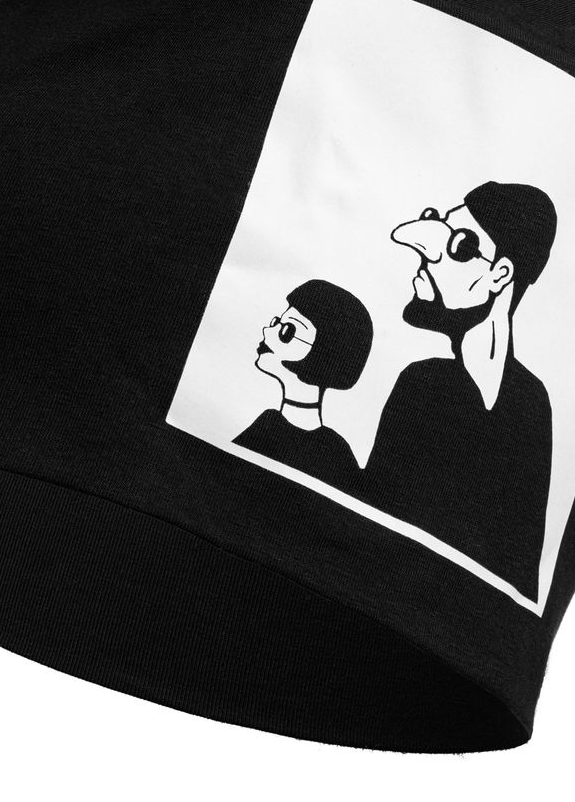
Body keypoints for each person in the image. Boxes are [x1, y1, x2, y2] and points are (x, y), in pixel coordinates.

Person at [364, 182, 557, 599]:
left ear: (500, 274)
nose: (426, 256)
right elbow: (371, 522)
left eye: (461, 246)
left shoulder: (531, 404)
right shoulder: (420, 385)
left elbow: (522, 569)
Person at [234, 279, 373, 488]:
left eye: (287, 331)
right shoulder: (267, 423)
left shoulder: (334, 452)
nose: (266, 331)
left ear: (324, 354)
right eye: (275, 322)